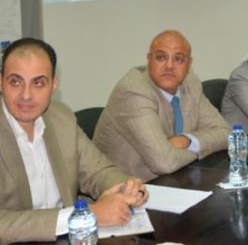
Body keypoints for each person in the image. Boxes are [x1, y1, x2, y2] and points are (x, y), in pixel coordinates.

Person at [0, 38, 148, 245]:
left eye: (38, 83)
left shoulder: (61, 117)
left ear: (53, 85)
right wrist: (86, 215)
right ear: (1, 82)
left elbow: (98, 172)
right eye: (15, 82)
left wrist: (125, 189)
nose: (26, 95)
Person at [93, 30, 230, 182]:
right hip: (128, 188)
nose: (169, 66)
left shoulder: (190, 83)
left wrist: (188, 141)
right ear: (149, 59)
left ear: (189, 64)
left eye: (178, 59)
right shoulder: (134, 91)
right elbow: (165, 163)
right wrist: (204, 148)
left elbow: (226, 133)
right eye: (161, 57)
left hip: (174, 180)